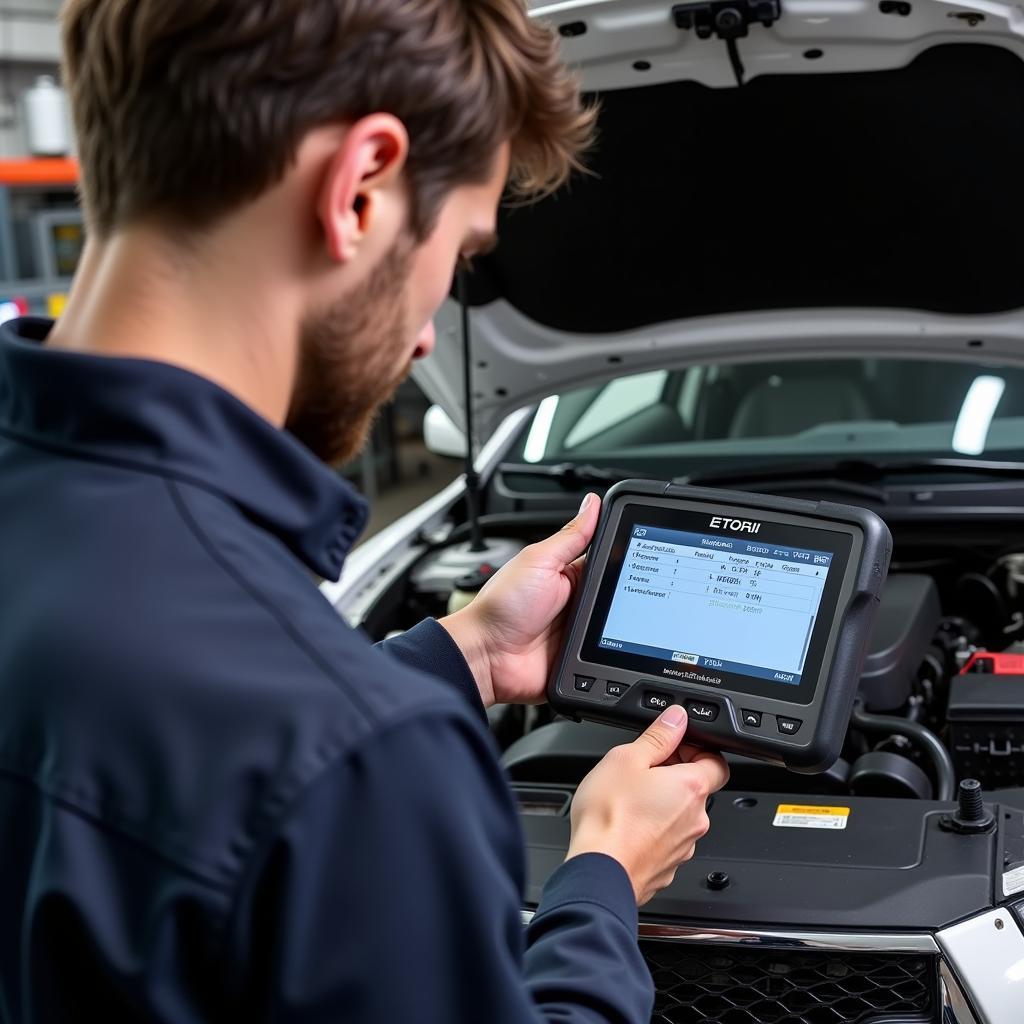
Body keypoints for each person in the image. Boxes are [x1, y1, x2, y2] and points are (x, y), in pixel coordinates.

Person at [0, 1, 729, 1021]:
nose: (429, 338)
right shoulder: (358, 758)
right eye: (458, 253)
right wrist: (602, 876)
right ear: (360, 187)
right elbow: (285, 751)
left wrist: (461, 654)